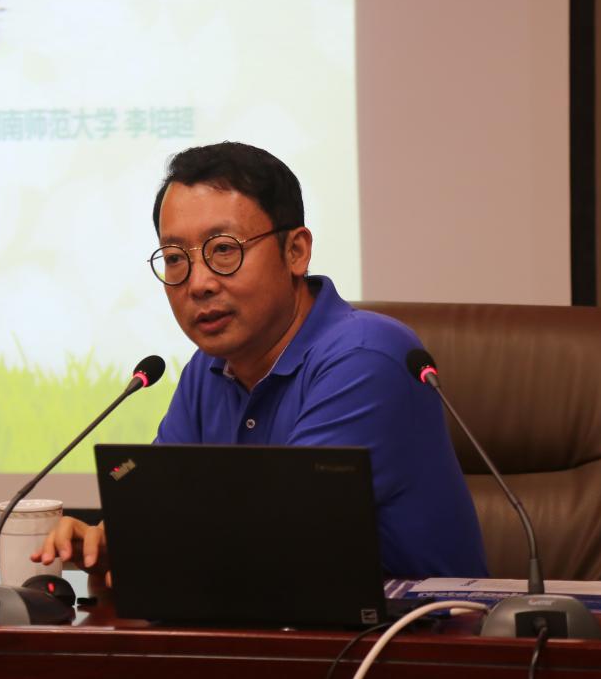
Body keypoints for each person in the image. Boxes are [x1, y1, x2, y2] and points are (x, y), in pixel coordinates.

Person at [34, 141, 488, 581]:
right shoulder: (207, 370)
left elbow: (282, 538)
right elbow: (159, 511)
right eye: (175, 258)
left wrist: (150, 546)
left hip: (421, 627)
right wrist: (111, 542)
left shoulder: (366, 358)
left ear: (296, 251)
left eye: (224, 249)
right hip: (277, 624)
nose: (198, 283)